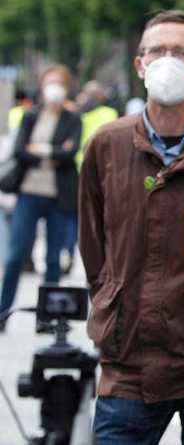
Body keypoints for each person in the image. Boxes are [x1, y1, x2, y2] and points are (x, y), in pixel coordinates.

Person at [79, 10, 184, 444]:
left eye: (181, 52)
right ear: (140, 64)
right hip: (128, 361)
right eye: (157, 51)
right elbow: (93, 243)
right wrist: (110, 301)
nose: (167, 60)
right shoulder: (107, 144)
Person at [0, 65, 82, 332]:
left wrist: (41, 149)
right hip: (29, 194)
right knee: (14, 256)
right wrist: (54, 151)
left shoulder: (73, 119)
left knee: (53, 260)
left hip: (59, 197)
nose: (55, 87)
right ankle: (3, 312)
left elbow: (70, 155)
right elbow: (21, 152)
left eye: (60, 82)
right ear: (43, 84)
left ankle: (47, 318)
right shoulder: (30, 116)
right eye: (51, 82)